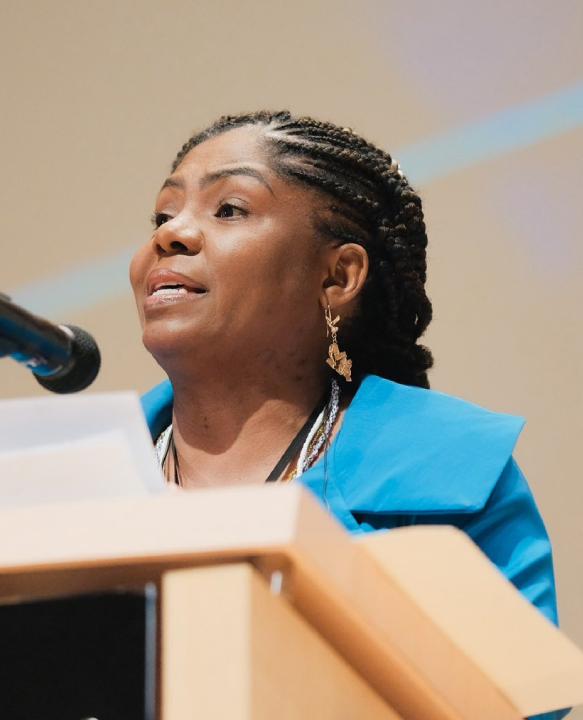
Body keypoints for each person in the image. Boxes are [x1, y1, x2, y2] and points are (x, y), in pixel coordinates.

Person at [130, 111, 558, 630]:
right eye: (162, 217)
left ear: (338, 276)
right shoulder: (76, 481)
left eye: (229, 209)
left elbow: (516, 700)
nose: (172, 234)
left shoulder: (448, 474)